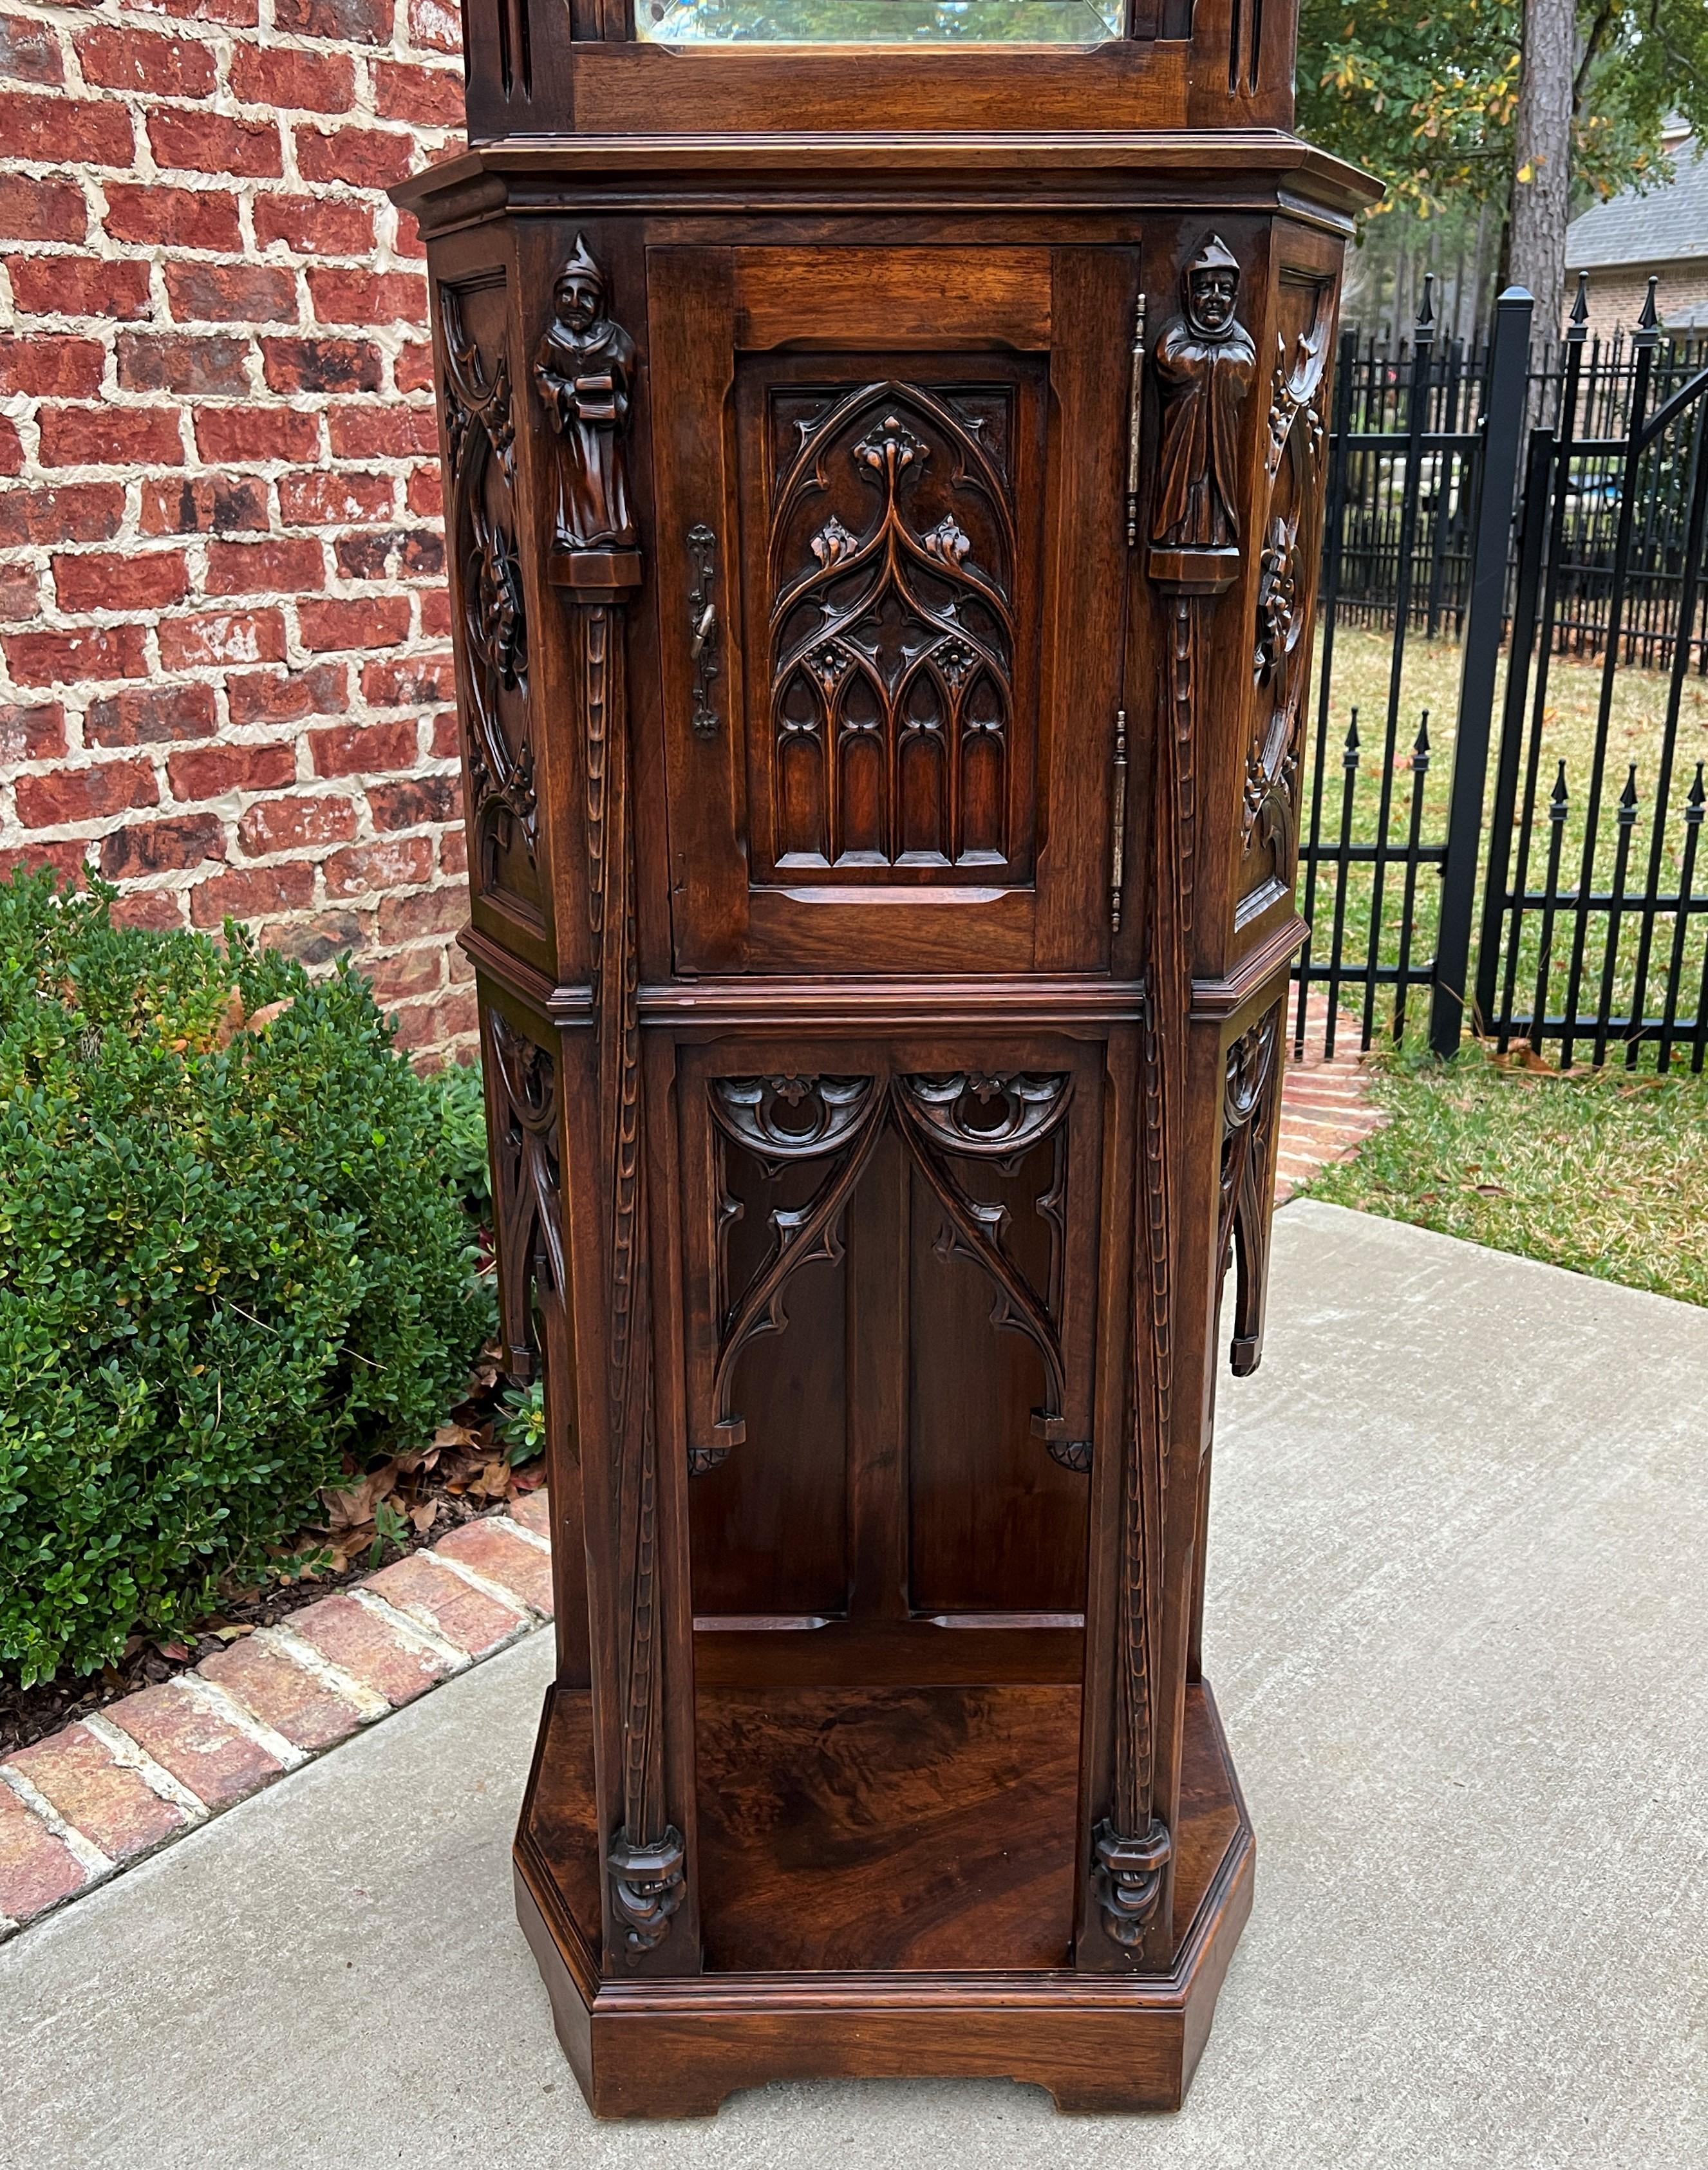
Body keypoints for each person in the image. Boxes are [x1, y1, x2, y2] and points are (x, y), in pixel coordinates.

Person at [1152, 235, 1255, 553]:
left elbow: (1244, 364)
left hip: (1219, 454)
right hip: (1184, 450)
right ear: (1188, 292)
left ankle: (1217, 539)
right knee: (1184, 495)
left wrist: (1213, 359)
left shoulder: (1236, 335)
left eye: (1224, 289)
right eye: (1205, 288)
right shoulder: (1177, 331)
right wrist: (1215, 358)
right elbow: (1172, 361)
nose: (1215, 298)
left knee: (1215, 500)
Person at [534, 236, 637, 551]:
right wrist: (565, 393)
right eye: (566, 294)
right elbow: (542, 374)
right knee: (577, 479)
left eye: (585, 295)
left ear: (601, 301)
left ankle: (615, 531)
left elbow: (628, 383)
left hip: (606, 431)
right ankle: (574, 535)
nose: (575, 303)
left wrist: (616, 404)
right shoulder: (553, 341)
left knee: (607, 478)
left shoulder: (615, 340)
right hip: (573, 428)